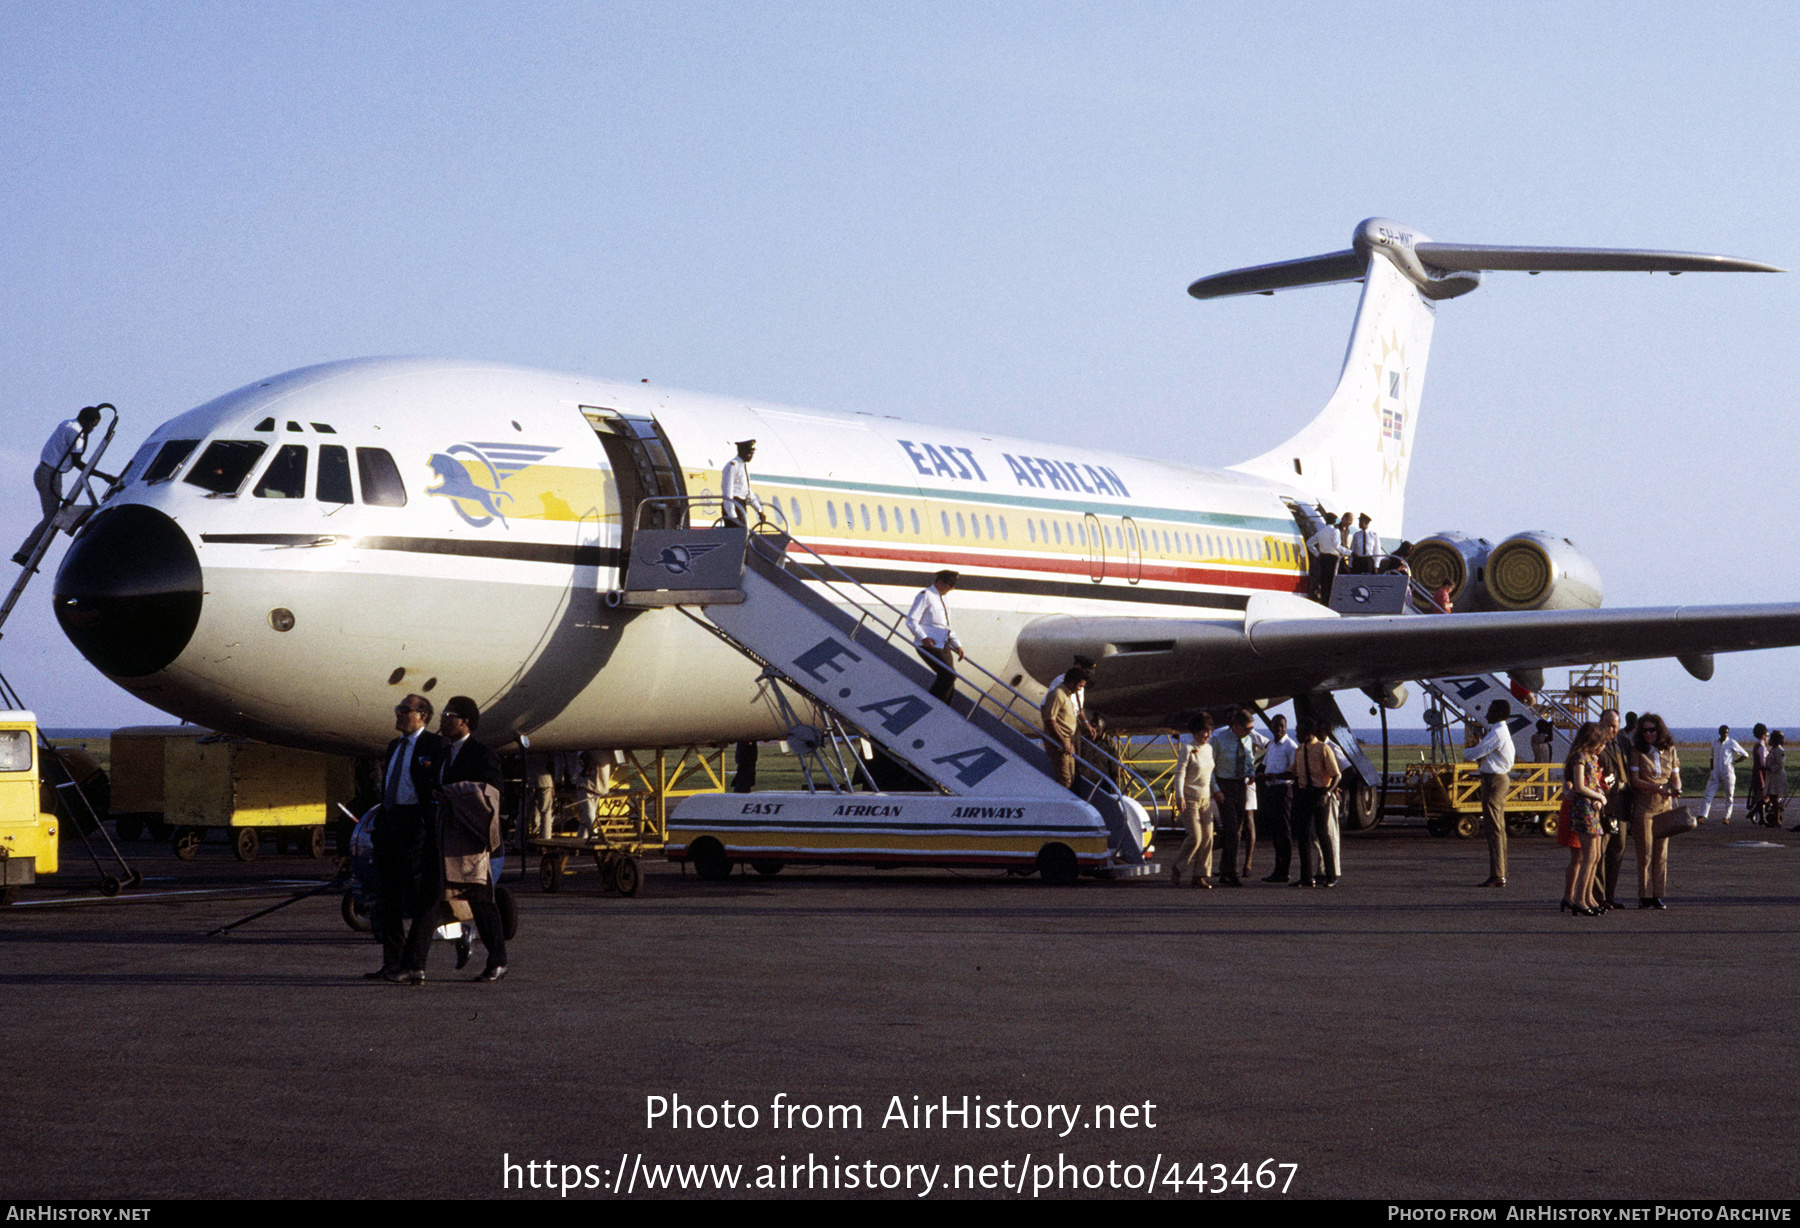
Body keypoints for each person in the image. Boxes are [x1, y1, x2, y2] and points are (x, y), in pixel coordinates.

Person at [397, 695, 509, 983]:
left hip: (468, 838)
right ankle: (414, 966)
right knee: (429, 899)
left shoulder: (482, 753)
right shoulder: (443, 753)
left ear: (465, 721)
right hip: (442, 834)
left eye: (450, 715)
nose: (444, 720)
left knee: (481, 899)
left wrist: (454, 794)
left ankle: (498, 960)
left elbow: (491, 791)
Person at [368, 694, 445, 982]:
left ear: (422, 716)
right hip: (390, 822)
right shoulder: (394, 746)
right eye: (397, 709)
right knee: (387, 896)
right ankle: (392, 962)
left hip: (417, 825)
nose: (398, 714)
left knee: (419, 895)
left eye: (404, 710)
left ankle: (414, 963)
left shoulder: (434, 746)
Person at [15, 404, 101, 565]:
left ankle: (27, 552)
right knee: (52, 517)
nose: (92, 429)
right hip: (49, 474)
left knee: (53, 514)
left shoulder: (67, 423)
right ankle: (24, 553)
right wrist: (104, 476)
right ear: (87, 420)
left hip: (48, 472)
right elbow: (78, 462)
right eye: (92, 425)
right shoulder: (77, 433)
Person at [1627, 713, 1681, 909]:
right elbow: (1635, 780)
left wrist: (1677, 788)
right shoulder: (1637, 751)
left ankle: (1658, 894)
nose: (1649, 734)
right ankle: (1644, 895)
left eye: (1652, 730)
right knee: (1645, 853)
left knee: (1661, 853)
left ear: (1660, 731)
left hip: (1664, 805)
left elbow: (1675, 775)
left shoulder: (1670, 750)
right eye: (1645, 730)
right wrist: (1657, 788)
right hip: (1644, 805)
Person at [1561, 721, 1610, 916]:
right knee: (1588, 857)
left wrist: (1599, 795)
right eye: (1601, 742)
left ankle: (1588, 896)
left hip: (1592, 808)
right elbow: (1580, 786)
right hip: (1584, 809)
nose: (1603, 747)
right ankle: (1580, 899)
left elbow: (1591, 783)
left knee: (1596, 856)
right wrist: (1599, 796)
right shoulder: (1580, 758)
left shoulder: (1591, 758)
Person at [1465, 699, 1516, 887]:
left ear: (1497, 712)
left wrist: (1468, 751)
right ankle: (1500, 872)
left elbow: (1475, 753)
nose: (1487, 713)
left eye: (1490, 710)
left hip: (1494, 780)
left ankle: (1498, 875)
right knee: (1498, 828)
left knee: (1493, 828)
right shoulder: (1500, 732)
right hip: (1497, 778)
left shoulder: (1496, 733)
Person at [1170, 714, 1220, 888]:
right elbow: (1180, 774)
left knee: (1208, 838)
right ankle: (1178, 867)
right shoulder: (1187, 748)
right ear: (1195, 731)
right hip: (1189, 798)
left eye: (1210, 731)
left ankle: (1200, 875)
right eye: (1204, 731)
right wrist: (1179, 796)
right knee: (1196, 837)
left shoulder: (1209, 749)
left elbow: (1210, 774)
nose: (1207, 735)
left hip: (1206, 798)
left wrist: (1216, 791)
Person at [1291, 720, 1339, 887]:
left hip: (1320, 793)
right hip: (1304, 793)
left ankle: (1331, 875)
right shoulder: (1299, 750)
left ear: (1309, 732)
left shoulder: (1323, 749)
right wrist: (1272, 776)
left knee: (1322, 833)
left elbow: (1336, 775)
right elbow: (1293, 772)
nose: (1296, 735)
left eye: (1299, 732)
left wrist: (1327, 793)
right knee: (1303, 835)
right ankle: (1306, 876)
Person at [1211, 708, 1256, 887]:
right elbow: (1210, 768)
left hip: (1240, 785)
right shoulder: (1219, 740)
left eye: (1251, 729)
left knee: (1237, 830)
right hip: (1224, 785)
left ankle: (1224, 869)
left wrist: (1251, 772)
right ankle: (1231, 871)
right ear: (1236, 726)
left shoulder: (1247, 739)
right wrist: (1216, 789)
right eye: (1246, 729)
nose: (1249, 732)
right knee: (1231, 829)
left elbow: (1249, 760)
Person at [906, 570, 963, 703]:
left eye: (954, 585)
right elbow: (911, 620)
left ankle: (944, 707)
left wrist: (958, 645)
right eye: (950, 584)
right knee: (948, 675)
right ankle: (931, 704)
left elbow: (946, 627)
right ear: (939, 582)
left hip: (943, 644)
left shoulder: (943, 599)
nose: (952, 588)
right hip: (929, 644)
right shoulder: (925, 595)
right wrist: (923, 637)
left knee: (950, 677)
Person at [1594, 708, 1631, 909]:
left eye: (1614, 726)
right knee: (1600, 852)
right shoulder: (1595, 744)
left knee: (1618, 849)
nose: (1611, 730)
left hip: (1622, 804)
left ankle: (1610, 895)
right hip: (1604, 804)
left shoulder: (1624, 743)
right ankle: (1598, 897)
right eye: (1607, 725)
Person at [1257, 714, 1297, 883]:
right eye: (1275, 725)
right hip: (1272, 789)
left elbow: (1294, 771)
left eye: (1281, 725)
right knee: (1275, 831)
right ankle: (1277, 869)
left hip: (1283, 789)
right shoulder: (1272, 745)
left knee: (1284, 830)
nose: (1278, 729)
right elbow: (1265, 765)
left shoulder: (1290, 746)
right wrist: (1259, 775)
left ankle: (1284, 870)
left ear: (1285, 727)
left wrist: (1276, 776)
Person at [1040, 669, 1087, 788]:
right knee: (1065, 780)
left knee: (1071, 777)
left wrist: (1069, 742)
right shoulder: (1058, 695)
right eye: (1079, 685)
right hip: (1059, 742)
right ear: (1071, 682)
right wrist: (1062, 741)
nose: (1080, 689)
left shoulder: (1067, 695)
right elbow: (1049, 719)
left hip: (1066, 740)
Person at [1700, 725, 1748, 824]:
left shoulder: (1732, 743)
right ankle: (1702, 815)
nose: (1724, 734)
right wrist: (1711, 770)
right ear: (1719, 732)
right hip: (1716, 773)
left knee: (1729, 796)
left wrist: (1734, 762)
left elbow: (1745, 755)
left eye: (1726, 732)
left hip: (1728, 772)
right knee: (1708, 794)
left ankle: (1726, 817)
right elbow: (1712, 757)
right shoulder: (1714, 742)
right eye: (1723, 732)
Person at [719, 439, 763, 527]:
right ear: (742, 451)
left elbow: (747, 491)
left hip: (741, 505)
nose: (751, 456)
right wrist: (732, 515)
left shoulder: (743, 466)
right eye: (749, 453)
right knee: (738, 536)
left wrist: (759, 510)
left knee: (744, 533)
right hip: (734, 505)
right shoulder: (732, 466)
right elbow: (728, 492)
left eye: (752, 453)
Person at [1307, 511, 1343, 602]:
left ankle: (1324, 601)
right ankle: (1330, 601)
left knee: (1324, 580)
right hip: (1332, 558)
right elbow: (1336, 546)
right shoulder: (1335, 531)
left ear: (1326, 521)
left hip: (1323, 558)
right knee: (1332, 580)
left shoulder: (1321, 532)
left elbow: (1309, 543)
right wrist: (1350, 553)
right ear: (1334, 522)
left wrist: (1317, 554)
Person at [1746, 723, 1770, 826]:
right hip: (1761, 773)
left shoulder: (1757, 745)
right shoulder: (1762, 747)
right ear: (1763, 735)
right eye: (1767, 736)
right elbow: (1763, 762)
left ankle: (1762, 818)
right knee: (1766, 796)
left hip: (1756, 772)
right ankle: (1753, 813)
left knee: (1762, 796)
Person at [1762, 731, 1787, 827]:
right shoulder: (1773, 750)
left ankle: (1777, 820)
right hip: (1772, 777)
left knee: (1774, 798)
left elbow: (1780, 765)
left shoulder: (1779, 751)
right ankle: (1776, 818)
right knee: (1772, 798)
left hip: (1777, 777)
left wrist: (1769, 768)